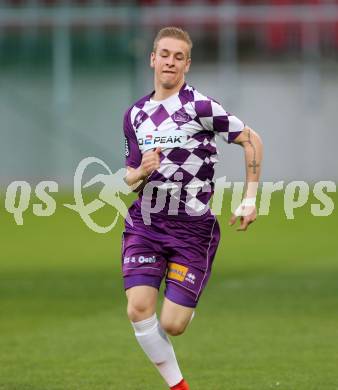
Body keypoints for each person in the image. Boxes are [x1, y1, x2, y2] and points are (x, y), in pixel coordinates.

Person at [122, 26, 263, 390]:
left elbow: (252, 140)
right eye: (164, 54)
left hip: (192, 228)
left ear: (187, 64)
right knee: (138, 308)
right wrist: (142, 170)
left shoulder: (199, 107)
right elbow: (129, 178)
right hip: (146, 222)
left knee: (173, 325)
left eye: (178, 57)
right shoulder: (135, 114)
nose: (170, 62)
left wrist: (250, 199)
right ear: (153, 59)